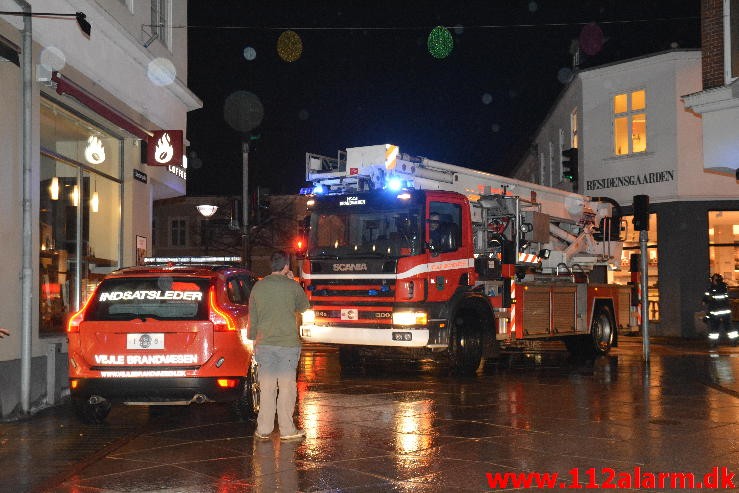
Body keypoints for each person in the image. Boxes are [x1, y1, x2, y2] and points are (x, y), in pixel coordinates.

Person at [248, 250, 310, 440]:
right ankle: (287, 430)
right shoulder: (291, 286)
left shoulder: (258, 287)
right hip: (288, 345)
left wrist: (253, 341)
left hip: (264, 344)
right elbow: (304, 306)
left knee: (266, 387)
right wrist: (294, 282)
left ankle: (264, 429)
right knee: (287, 387)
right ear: (285, 266)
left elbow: (253, 317)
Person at [703, 273, 733, 344]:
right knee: (715, 328)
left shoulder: (721, 288)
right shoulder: (713, 288)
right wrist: (704, 300)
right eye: (713, 279)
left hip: (720, 311)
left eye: (715, 279)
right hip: (719, 312)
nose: (714, 281)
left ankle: (734, 341)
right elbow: (707, 297)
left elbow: (715, 300)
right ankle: (713, 342)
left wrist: (707, 301)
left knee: (726, 327)